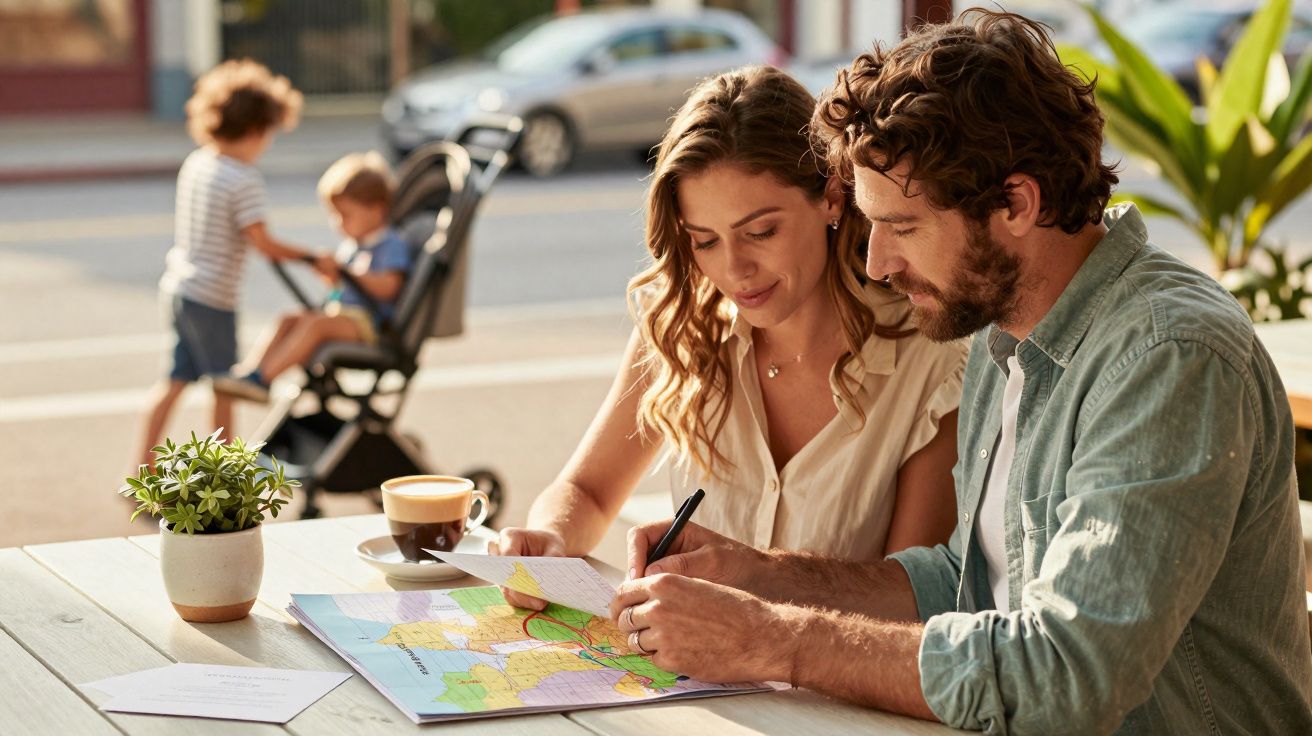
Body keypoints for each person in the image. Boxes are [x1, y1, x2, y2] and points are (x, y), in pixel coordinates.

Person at [609, 11, 1312, 735]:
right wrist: (760, 575)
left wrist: (772, 637)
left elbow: (1068, 674)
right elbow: (965, 583)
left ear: (1016, 202)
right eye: (870, 223)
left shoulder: (1169, 356)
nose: (877, 262)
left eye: (903, 228)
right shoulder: (1002, 334)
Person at [491, 65, 969, 607]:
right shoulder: (681, 326)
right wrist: (551, 535)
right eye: (705, 241)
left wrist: (755, 598)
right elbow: (588, 491)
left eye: (760, 232)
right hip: (689, 683)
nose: (735, 269)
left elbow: (909, 601)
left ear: (833, 197)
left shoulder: (933, 365)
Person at [136, 59, 311, 468]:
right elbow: (262, 242)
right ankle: (224, 473)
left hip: (180, 287)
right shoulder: (242, 178)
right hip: (213, 297)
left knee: (174, 382)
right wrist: (312, 258)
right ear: (254, 129)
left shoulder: (199, 162)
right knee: (227, 388)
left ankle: (138, 472)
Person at [212, 151, 413, 403]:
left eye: (345, 215)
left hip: (369, 324)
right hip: (346, 314)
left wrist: (347, 272)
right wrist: (331, 276)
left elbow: (389, 287)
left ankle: (265, 379)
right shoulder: (354, 246)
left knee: (316, 325)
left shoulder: (390, 244)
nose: (337, 223)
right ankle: (250, 372)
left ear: (376, 211)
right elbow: (343, 289)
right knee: (290, 319)